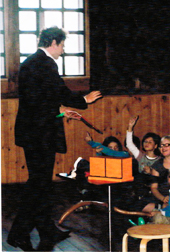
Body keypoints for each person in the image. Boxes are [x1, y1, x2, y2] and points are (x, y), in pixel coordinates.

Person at [8, 26, 102, 251]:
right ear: (54, 43)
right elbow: (60, 92)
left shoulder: (30, 62)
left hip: (31, 132)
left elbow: (39, 102)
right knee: (38, 185)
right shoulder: (47, 64)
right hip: (40, 135)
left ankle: (46, 229)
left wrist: (60, 113)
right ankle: (18, 234)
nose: (63, 49)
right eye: (62, 45)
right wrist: (84, 101)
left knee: (39, 183)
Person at [144, 135, 170, 212]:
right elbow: (154, 188)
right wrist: (163, 198)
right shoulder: (157, 165)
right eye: (161, 146)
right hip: (162, 197)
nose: (163, 148)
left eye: (166, 145)